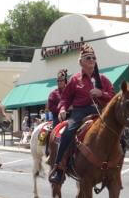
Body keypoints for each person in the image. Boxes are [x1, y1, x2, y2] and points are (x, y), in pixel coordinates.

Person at [49, 43, 115, 184]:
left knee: (116, 133)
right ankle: (59, 168)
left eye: (93, 57)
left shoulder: (102, 79)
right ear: (81, 62)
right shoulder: (74, 79)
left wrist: (101, 93)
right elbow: (65, 98)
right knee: (68, 132)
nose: (91, 60)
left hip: (99, 111)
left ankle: (115, 166)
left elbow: (113, 97)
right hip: (79, 112)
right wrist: (61, 109)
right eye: (87, 58)